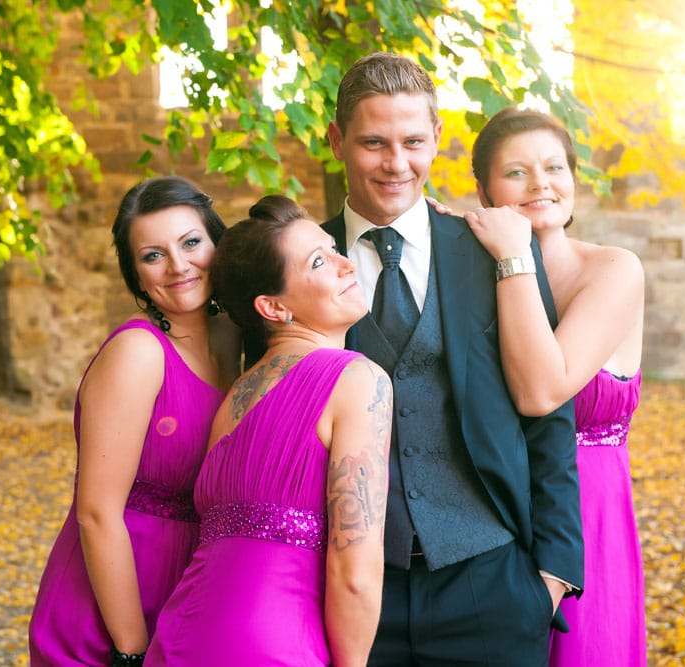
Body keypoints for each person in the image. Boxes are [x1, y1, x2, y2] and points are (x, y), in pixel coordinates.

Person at [323, 52, 584, 665]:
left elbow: (549, 419)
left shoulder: (493, 251)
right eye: (373, 143)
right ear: (336, 141)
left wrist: (552, 575)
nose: (397, 163)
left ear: (437, 137)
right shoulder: (301, 259)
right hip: (347, 589)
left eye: (414, 142)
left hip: (492, 583)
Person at [146, 195, 393, 667]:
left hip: (182, 636)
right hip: (275, 644)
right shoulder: (358, 380)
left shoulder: (234, 399)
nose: (345, 264)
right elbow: (355, 571)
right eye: (319, 262)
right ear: (273, 307)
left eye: (332, 250)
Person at [458, 106, 646, 666]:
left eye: (554, 167)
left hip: (588, 516)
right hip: (492, 513)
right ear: (485, 191)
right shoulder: (465, 276)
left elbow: (542, 391)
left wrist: (514, 254)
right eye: (516, 172)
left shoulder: (613, 270)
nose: (540, 183)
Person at [29, 176, 239, 666]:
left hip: (186, 593)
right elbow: (96, 513)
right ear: (136, 276)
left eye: (191, 243)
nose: (178, 265)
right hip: (110, 607)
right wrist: (131, 651)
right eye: (153, 255)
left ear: (217, 243)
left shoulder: (232, 337)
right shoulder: (138, 352)